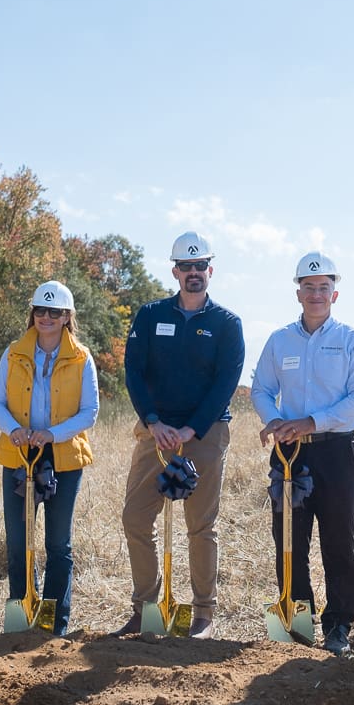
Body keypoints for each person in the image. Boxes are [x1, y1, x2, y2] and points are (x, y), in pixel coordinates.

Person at [112, 231, 245, 640]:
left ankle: (203, 615)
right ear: (175, 271)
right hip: (155, 432)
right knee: (136, 518)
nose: (193, 272)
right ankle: (146, 611)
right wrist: (154, 422)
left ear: (210, 270)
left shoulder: (227, 324)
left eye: (200, 265)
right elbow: (134, 371)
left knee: (200, 525)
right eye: (186, 266)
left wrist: (191, 428)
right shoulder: (150, 315)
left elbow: (226, 383)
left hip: (205, 434)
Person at [251, 252, 354, 656]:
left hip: (336, 452)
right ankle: (297, 622)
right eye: (309, 287)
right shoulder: (279, 340)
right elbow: (261, 390)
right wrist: (275, 421)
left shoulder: (352, 340)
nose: (316, 294)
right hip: (289, 454)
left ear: (334, 294)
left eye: (324, 287)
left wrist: (311, 422)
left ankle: (339, 625)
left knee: (338, 541)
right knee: (289, 540)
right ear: (298, 292)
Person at [0, 280, 99, 637]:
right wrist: (13, 430)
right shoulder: (13, 353)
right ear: (32, 313)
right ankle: (23, 615)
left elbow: (90, 412)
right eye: (40, 310)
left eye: (54, 311)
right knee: (18, 541)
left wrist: (52, 434)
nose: (45, 317)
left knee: (57, 544)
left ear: (67, 317)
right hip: (19, 453)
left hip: (63, 456)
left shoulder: (82, 357)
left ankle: (54, 626)